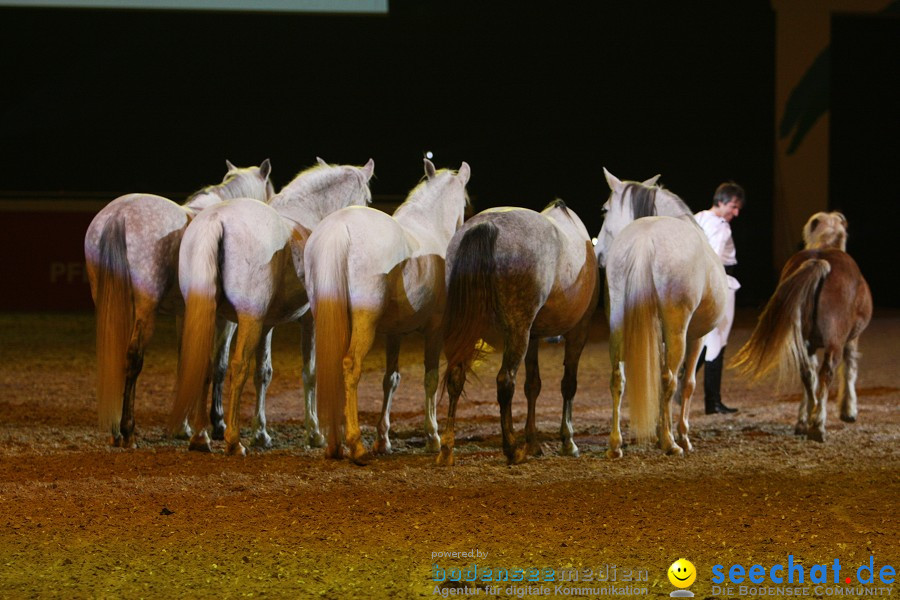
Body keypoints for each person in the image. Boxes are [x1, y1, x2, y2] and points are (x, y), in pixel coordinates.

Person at [695, 182, 745, 415]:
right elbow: (713, 258)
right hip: (720, 283)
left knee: (703, 343)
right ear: (721, 201)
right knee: (717, 342)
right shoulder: (721, 227)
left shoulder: (698, 217)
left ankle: (686, 385)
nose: (736, 213)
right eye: (733, 207)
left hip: (698, 282)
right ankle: (712, 401)